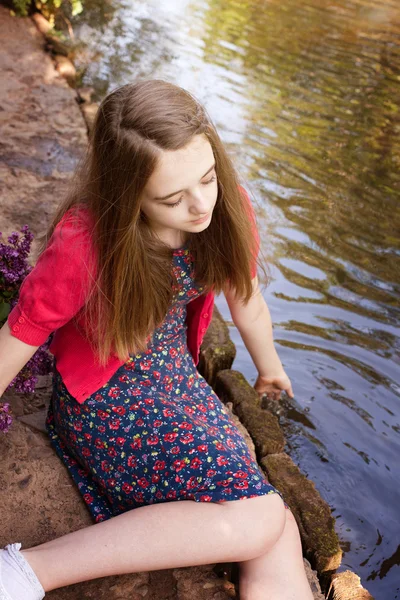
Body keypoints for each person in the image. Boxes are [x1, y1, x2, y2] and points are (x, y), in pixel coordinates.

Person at [0, 79, 313, 600]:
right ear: (128, 197)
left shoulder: (226, 209)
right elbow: (19, 334)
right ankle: (26, 570)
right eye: (172, 198)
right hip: (103, 398)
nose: (200, 206)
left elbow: (247, 298)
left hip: (171, 378)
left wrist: (270, 364)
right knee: (263, 518)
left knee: (274, 526)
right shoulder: (88, 244)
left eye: (208, 178)